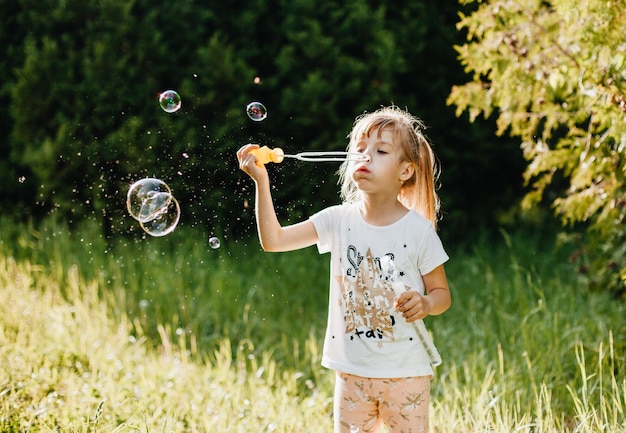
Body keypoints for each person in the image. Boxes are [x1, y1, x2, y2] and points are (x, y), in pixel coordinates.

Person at [236, 105, 451, 433]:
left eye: (380, 151)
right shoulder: (337, 220)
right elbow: (274, 241)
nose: (365, 156)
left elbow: (441, 294)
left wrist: (425, 304)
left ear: (405, 171)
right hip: (351, 373)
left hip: (406, 373)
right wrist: (261, 183)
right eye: (360, 149)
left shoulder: (417, 231)